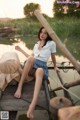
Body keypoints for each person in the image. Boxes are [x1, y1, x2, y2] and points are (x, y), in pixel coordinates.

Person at [14, 26, 58, 119]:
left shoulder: (51, 43)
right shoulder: (36, 44)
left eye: (45, 33)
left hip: (41, 67)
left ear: (48, 35)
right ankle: (20, 86)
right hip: (31, 67)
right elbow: (30, 57)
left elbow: (53, 57)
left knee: (40, 70)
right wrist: (20, 50)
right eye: (41, 32)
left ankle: (32, 105)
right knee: (30, 58)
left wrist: (55, 66)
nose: (42, 34)